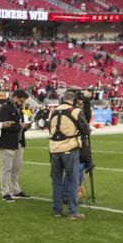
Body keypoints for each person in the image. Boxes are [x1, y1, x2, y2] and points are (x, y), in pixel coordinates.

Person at [47, 90, 86, 221]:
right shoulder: (76, 112)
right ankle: (72, 212)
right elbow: (86, 130)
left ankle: (57, 210)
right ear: (74, 101)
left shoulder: (53, 112)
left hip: (54, 149)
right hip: (69, 148)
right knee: (73, 181)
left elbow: (50, 129)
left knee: (56, 181)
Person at [0, 89, 31, 202]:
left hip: (19, 142)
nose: (22, 103)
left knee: (16, 169)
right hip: (8, 142)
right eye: (21, 101)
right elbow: (4, 125)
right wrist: (20, 126)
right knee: (6, 169)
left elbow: (18, 126)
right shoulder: (5, 108)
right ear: (15, 97)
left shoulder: (18, 109)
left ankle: (16, 190)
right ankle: (5, 192)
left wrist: (25, 126)